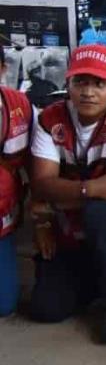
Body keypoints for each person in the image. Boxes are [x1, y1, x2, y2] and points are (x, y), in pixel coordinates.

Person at [28, 45, 106, 343]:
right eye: (80, 82)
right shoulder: (49, 118)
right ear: (67, 84)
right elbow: (41, 183)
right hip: (67, 229)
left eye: (99, 83)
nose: (88, 92)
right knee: (46, 309)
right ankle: (93, 283)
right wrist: (90, 188)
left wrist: (60, 194)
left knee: (103, 212)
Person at [0, 46, 32, 318]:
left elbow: (33, 165)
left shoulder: (19, 105)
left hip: (3, 224)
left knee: (4, 305)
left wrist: (42, 218)